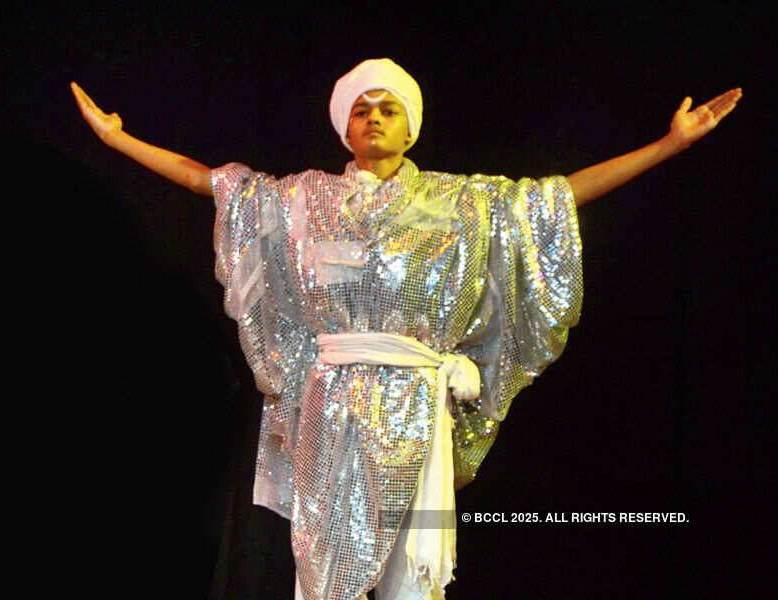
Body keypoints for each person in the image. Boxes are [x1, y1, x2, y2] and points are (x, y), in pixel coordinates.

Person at [71, 58, 741, 600]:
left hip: (417, 407)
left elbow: (556, 196)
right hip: (329, 406)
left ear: (411, 127)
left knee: (412, 579)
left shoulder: (457, 203)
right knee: (326, 570)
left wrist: (667, 145)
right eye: (360, 108)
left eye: (387, 106)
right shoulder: (302, 198)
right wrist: (117, 140)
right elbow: (210, 184)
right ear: (344, 130)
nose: (373, 117)